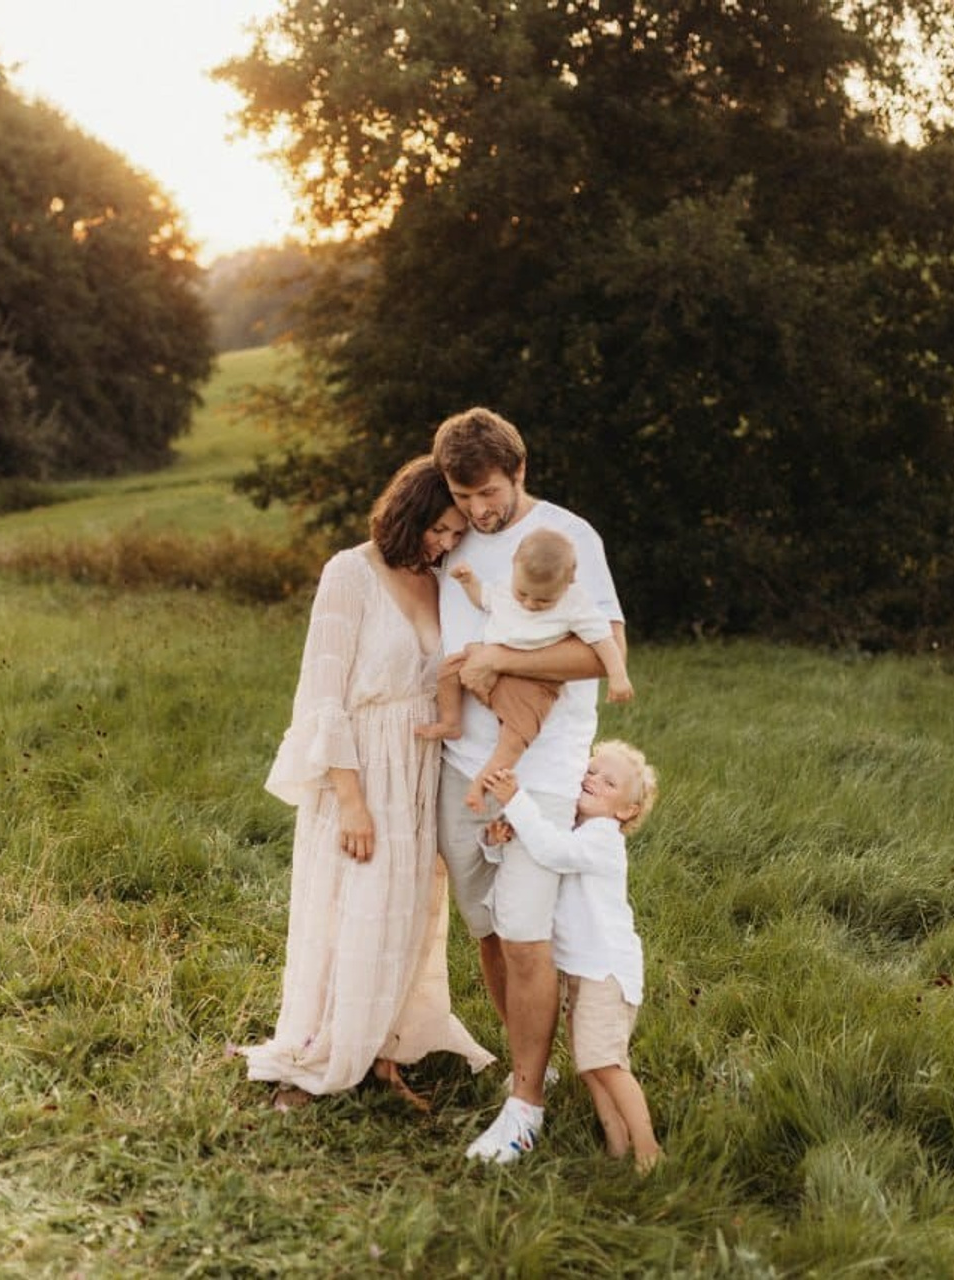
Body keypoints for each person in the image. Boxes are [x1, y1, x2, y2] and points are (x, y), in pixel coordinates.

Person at [231, 456, 495, 1111]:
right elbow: (324, 694)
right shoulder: (351, 573)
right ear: (409, 511)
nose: (446, 543)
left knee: (406, 915)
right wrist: (351, 800)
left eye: (458, 534)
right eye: (438, 527)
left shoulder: (444, 584)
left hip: (419, 768)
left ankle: (382, 1053)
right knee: (350, 912)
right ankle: (318, 1057)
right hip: (361, 768)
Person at [431, 406, 628, 1163]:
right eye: (464, 493)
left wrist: (499, 664)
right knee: (486, 931)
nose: (479, 510)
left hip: (536, 771)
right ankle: (527, 1072)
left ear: (520, 472)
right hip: (460, 768)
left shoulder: (568, 537)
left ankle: (526, 1107)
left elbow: (603, 649)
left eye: (489, 493)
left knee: (525, 936)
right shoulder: (455, 538)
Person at [481, 740, 662, 1172]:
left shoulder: (601, 837)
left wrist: (517, 802)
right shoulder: (579, 830)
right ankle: (617, 1146)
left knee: (608, 1064)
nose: (592, 779)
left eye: (609, 780)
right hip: (582, 971)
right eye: (591, 769)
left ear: (626, 812)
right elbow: (540, 859)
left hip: (605, 972)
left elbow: (552, 852)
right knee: (590, 1065)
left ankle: (649, 1149)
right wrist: (499, 839)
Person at [418, 525, 633, 813]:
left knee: (514, 739)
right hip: (484, 662)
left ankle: (481, 786)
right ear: (515, 569)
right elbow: (483, 599)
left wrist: (618, 677)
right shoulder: (508, 586)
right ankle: (451, 722)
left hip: (532, 682)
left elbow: (603, 640)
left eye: (543, 601)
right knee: (448, 670)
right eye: (523, 595)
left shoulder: (575, 603)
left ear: (568, 582)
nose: (530, 604)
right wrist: (469, 582)